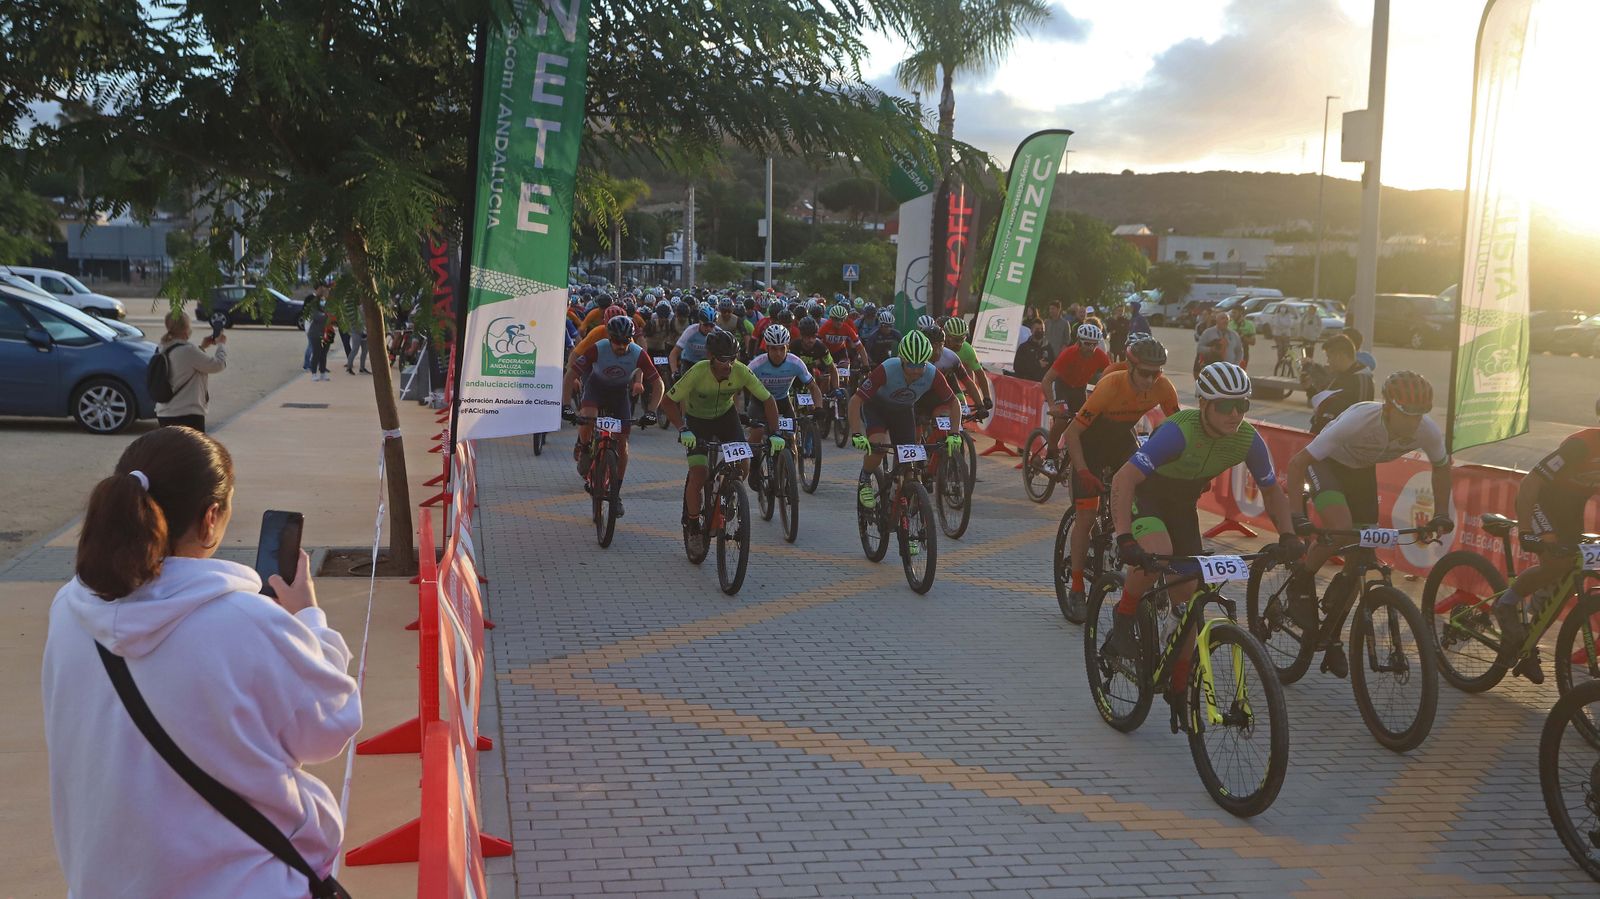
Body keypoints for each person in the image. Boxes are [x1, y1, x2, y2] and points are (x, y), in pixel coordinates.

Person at [43, 427, 360, 898]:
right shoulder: (245, 620)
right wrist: (309, 621)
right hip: (243, 883)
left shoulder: (69, 608)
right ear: (210, 518)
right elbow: (327, 728)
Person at [1106, 363, 1303, 709]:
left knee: (1189, 600)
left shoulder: (1247, 439)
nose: (1235, 414)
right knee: (1159, 555)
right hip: (1147, 497)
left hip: (1182, 506)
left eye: (1242, 405)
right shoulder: (1178, 433)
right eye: (1225, 406)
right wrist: (1124, 537)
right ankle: (1123, 617)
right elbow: (1124, 479)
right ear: (1204, 404)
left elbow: (1272, 491)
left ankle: (1180, 685)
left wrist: (1288, 536)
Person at [1283, 372, 1452, 652]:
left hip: (1361, 473)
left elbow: (1443, 467)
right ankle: (1300, 579)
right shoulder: (1359, 420)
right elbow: (1297, 463)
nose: (1414, 422)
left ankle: (1332, 634)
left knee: (1362, 551)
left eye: (1419, 415)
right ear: (1388, 408)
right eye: (1407, 414)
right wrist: (1295, 516)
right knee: (1341, 529)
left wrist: (1442, 513)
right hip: (1326, 465)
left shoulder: (1427, 430)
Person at [1058, 337, 1180, 618]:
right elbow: (1072, 433)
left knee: (1144, 498)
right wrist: (1083, 471)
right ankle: (1077, 587)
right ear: (1130, 367)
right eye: (1145, 373)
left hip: (1122, 440)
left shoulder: (1164, 387)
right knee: (1087, 517)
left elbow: (1178, 432)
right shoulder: (1111, 385)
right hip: (1090, 444)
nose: (1151, 380)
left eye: (1156, 373)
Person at [1488, 402, 1600, 683]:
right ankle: (1506, 603)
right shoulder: (1580, 446)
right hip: (1542, 503)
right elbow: (1531, 484)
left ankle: (1528, 642)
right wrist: (1526, 531)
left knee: (1563, 586)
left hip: (1571, 512)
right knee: (1556, 563)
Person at [661, 328, 783, 538]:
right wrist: (683, 428)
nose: (729, 365)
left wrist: (775, 432)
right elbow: (668, 402)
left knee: (742, 464)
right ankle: (692, 527)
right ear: (710, 357)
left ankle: (728, 491)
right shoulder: (698, 371)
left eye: (733, 359)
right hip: (697, 421)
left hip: (726, 418)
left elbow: (768, 399)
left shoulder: (741, 370)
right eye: (723, 359)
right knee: (698, 475)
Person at [847, 331, 964, 533]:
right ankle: (866, 478)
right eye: (911, 365)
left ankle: (901, 509)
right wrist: (857, 433)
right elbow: (856, 400)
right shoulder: (887, 369)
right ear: (901, 360)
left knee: (910, 469)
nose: (916, 371)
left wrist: (954, 433)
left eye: (921, 365)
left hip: (903, 412)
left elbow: (954, 403)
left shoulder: (932, 373)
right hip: (878, 409)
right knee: (879, 445)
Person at [562, 316, 663, 516]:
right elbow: (571, 374)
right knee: (588, 416)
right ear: (609, 338)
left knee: (623, 443)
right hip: (596, 388)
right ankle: (584, 448)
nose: (621, 346)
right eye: (617, 341)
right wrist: (566, 406)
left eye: (626, 341)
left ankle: (615, 492)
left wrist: (651, 411)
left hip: (619, 394)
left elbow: (658, 383)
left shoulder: (637, 353)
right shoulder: (598, 348)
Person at [745, 325, 823, 485]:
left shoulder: (796, 363)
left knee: (791, 437)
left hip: (782, 401)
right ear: (767, 348)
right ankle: (754, 467)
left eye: (782, 349)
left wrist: (819, 407)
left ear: (787, 347)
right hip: (759, 403)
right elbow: (738, 384)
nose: (778, 353)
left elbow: (813, 387)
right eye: (774, 349)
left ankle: (789, 475)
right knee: (758, 432)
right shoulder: (757, 364)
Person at [1037, 323, 1111, 472]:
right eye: (1087, 344)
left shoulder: (1100, 356)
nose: (1090, 348)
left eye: (1094, 345)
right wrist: (1053, 406)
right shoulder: (1069, 354)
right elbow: (1046, 380)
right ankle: (1050, 458)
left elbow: (1111, 377)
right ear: (1079, 341)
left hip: (1079, 389)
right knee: (1061, 421)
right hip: (1062, 387)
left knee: (1085, 424)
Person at [155, 310, 227, 432]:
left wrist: (202, 347)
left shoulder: (162, 347)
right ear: (186, 329)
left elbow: (185, 365)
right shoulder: (188, 350)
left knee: (172, 451)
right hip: (187, 414)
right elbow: (218, 365)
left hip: (164, 413)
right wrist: (221, 345)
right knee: (192, 451)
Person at [1308, 334, 1374, 434]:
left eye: (1329, 357)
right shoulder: (1340, 375)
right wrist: (1309, 388)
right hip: (1323, 437)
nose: (1328, 362)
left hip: (1338, 442)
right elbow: (1323, 401)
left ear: (1340, 356)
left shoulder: (1362, 380)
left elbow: (1361, 418)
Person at [301, 282, 329, 372]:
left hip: (319, 325)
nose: (324, 290)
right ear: (318, 288)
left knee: (317, 346)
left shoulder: (321, 299)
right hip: (311, 324)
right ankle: (307, 364)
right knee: (311, 345)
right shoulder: (310, 298)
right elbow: (306, 311)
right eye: (322, 288)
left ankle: (318, 365)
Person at [342, 296, 369, 374]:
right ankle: (349, 367)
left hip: (365, 332)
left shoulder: (366, 309)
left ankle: (362, 368)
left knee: (365, 350)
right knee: (355, 350)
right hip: (356, 332)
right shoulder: (355, 310)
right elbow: (352, 322)